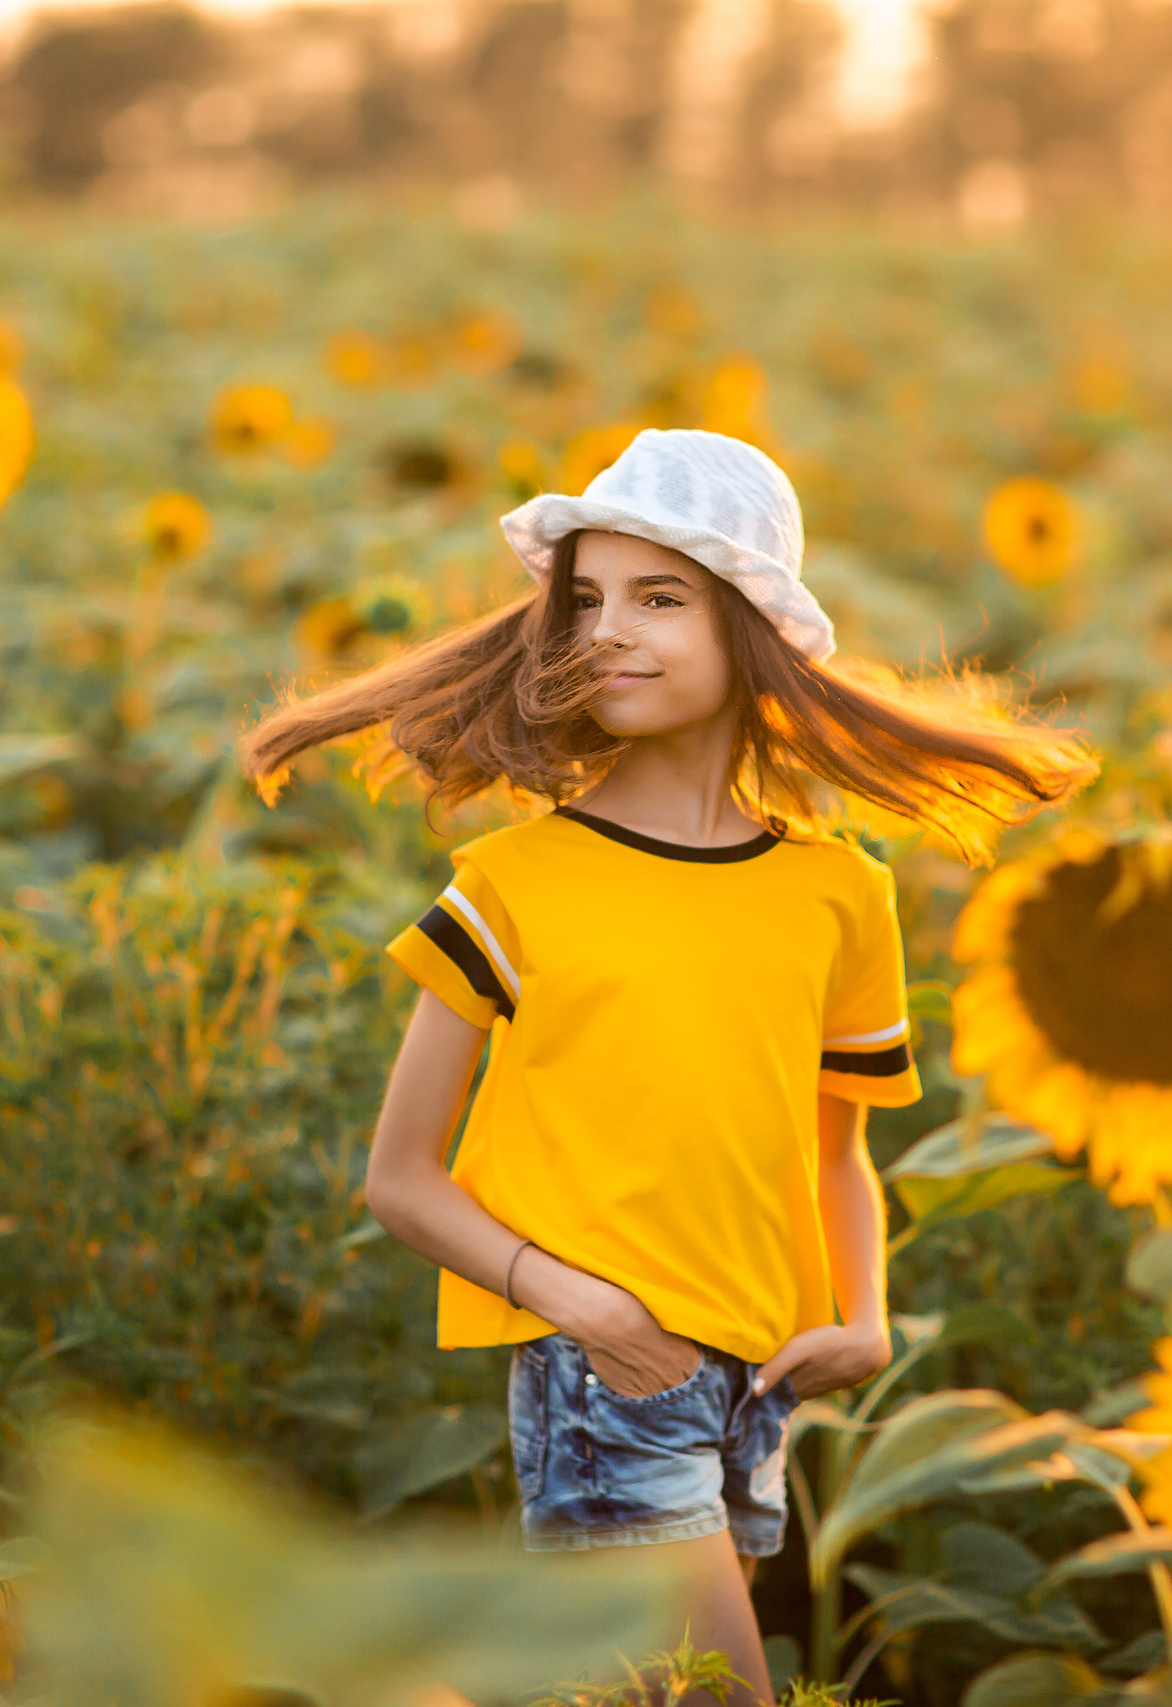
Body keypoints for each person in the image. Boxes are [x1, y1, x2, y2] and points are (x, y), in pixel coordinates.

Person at [238, 427, 1095, 1707]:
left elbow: (836, 1150)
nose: (610, 633)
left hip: (753, 1385)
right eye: (584, 600)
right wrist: (583, 1310)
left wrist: (861, 1318)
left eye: (658, 598)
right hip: (605, 1374)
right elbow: (400, 1181)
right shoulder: (519, 884)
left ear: (747, 628)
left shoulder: (836, 895)